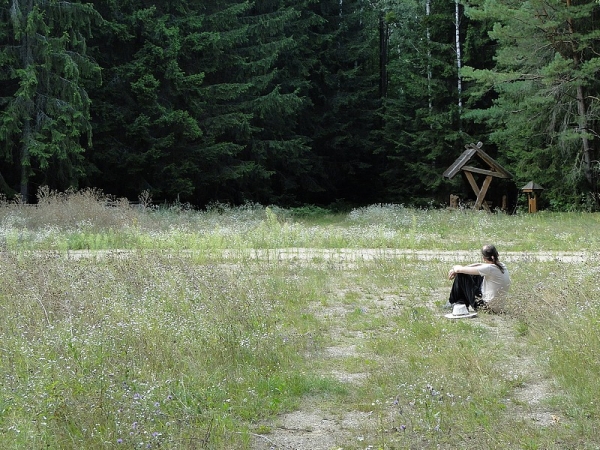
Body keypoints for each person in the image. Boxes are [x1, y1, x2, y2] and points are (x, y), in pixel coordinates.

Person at [447, 244, 511, 313]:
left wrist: (455, 267)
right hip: (497, 308)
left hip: (485, 308)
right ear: (497, 254)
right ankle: (461, 302)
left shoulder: (489, 269)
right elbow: (479, 265)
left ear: (483, 258)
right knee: (475, 274)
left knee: (461, 275)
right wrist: (463, 267)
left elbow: (459, 270)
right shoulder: (502, 265)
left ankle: (452, 302)